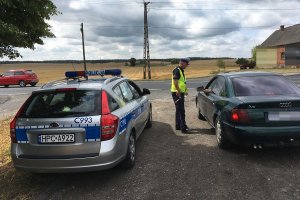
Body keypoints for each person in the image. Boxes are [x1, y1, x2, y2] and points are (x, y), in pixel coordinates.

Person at [171, 57, 190, 133]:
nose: (187, 66)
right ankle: (183, 128)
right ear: (182, 63)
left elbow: (182, 82)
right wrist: (178, 91)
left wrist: (185, 91)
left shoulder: (181, 70)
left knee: (178, 109)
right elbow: (175, 81)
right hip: (177, 93)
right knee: (181, 110)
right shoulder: (177, 70)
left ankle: (178, 125)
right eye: (186, 64)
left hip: (179, 92)